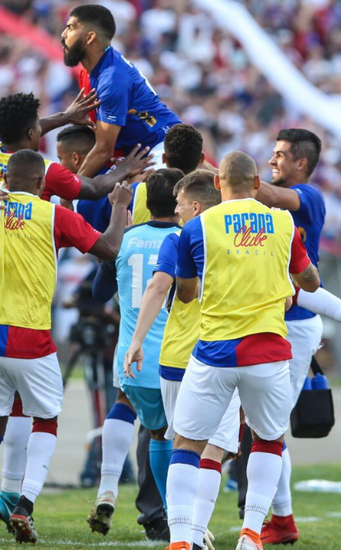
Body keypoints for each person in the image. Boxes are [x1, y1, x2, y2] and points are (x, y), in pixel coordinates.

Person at [0, 91, 151, 530]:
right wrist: (119, 193)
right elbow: (104, 230)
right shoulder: (52, 208)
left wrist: (61, 117)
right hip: (29, 337)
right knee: (41, 415)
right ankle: (20, 499)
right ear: (43, 184)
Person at [166, 152, 321, 550]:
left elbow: (185, 292)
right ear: (256, 183)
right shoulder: (284, 222)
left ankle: (181, 539)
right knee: (268, 440)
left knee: (187, 444)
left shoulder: (197, 226)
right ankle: (251, 533)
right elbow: (311, 281)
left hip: (215, 350)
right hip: (268, 352)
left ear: (217, 184)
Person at [239, 129, 341, 543]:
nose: (272, 160)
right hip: (269, 317)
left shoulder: (309, 197)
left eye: (281, 155)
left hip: (298, 322)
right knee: (259, 425)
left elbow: (273, 196)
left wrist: (225, 173)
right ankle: (279, 517)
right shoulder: (258, 203)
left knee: (267, 427)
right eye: (271, 154)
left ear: (302, 163)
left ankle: (278, 519)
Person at [124, 170, 239, 550]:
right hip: (222, 354)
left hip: (175, 357)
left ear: (195, 205)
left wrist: (137, 340)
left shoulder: (178, 238)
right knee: (214, 449)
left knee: (183, 447)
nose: (175, 211)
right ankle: (194, 534)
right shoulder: (244, 240)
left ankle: (183, 537)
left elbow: (161, 285)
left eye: (179, 204)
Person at [88, 168, 182, 535]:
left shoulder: (125, 238)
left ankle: (107, 486)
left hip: (131, 350)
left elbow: (98, 292)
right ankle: (175, 513)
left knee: (122, 402)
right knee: (164, 436)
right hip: (174, 355)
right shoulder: (187, 238)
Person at [60, 4, 181, 195]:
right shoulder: (89, 71)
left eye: (71, 27)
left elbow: (103, 149)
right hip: (134, 150)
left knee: (153, 202)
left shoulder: (112, 79)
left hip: (158, 147)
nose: (63, 34)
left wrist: (69, 193)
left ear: (90, 37)